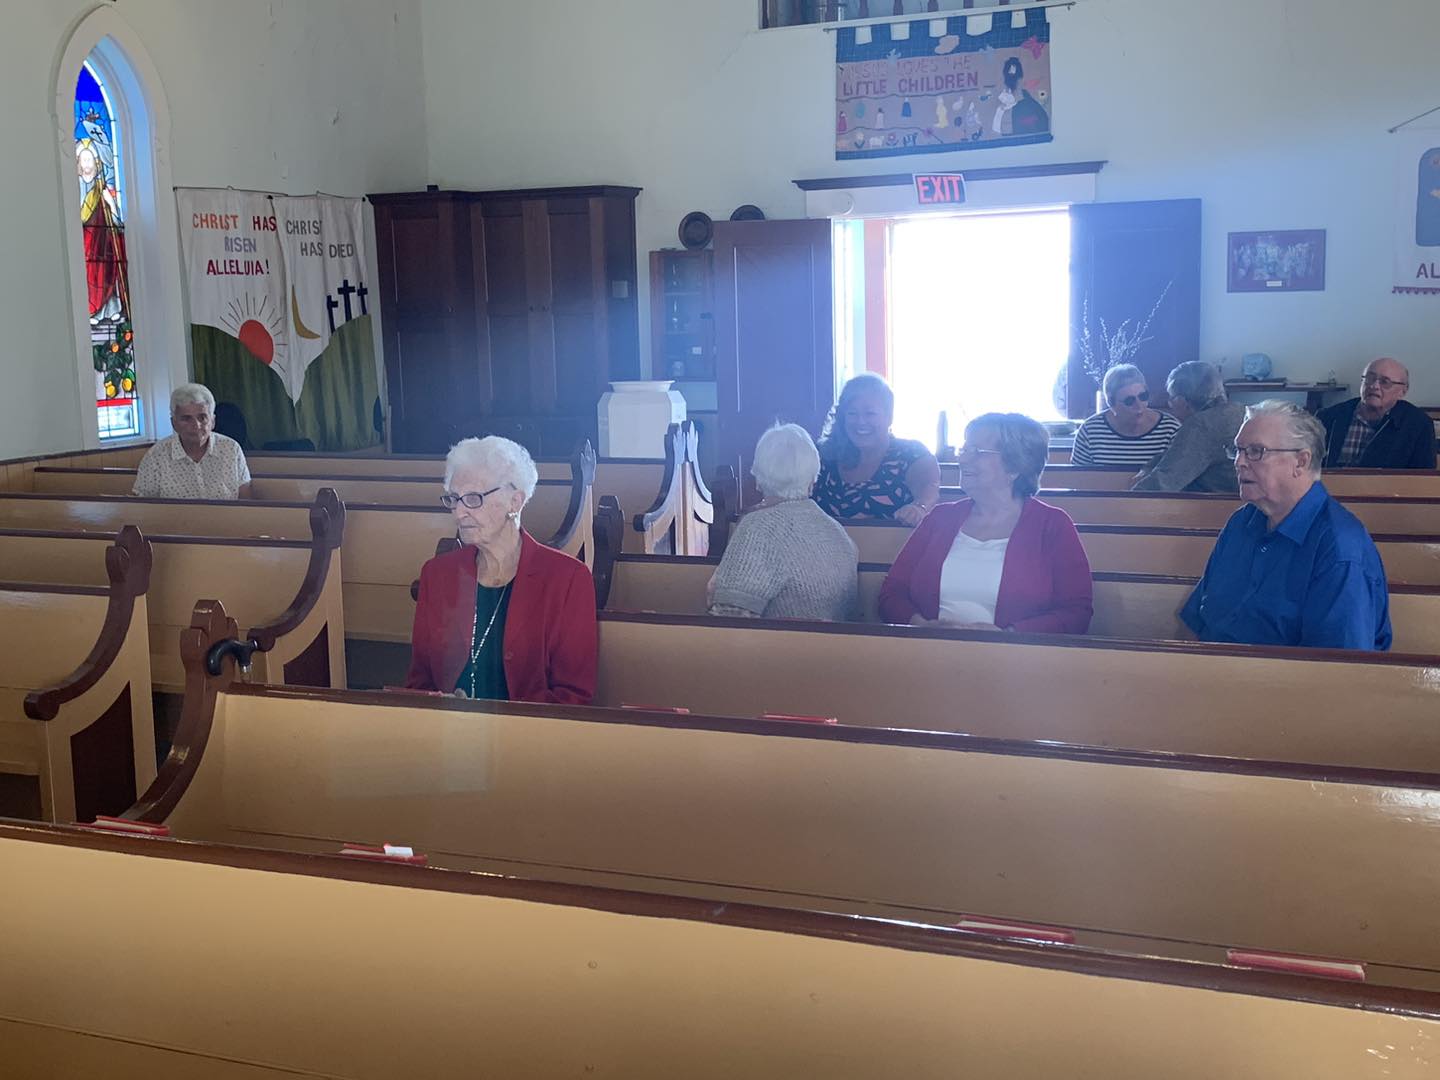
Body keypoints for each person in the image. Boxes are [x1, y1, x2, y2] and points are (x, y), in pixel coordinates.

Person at [1181, 401, 1391, 651]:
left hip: (1281, 686)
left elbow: (1337, 672)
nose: (1239, 462)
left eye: (1256, 451)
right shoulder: (1242, 522)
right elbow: (1199, 620)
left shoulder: (1340, 548)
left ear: (1301, 461)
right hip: (1212, 674)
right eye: (1237, 450)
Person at [407, 435, 597, 702]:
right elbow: (419, 681)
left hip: (533, 738)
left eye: (473, 498)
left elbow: (573, 695)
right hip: (448, 737)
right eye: (454, 499)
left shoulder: (567, 579)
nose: (459, 512)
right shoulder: (437, 575)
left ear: (515, 502)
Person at [879, 413, 1092, 634]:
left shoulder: (1053, 526)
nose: (961, 459)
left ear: (1014, 467)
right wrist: (922, 626)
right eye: (964, 450)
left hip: (1020, 662)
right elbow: (892, 592)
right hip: (927, 654)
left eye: (977, 452)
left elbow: (1076, 613)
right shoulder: (939, 518)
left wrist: (1008, 636)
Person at [707, 424, 858, 621]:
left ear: (757, 478)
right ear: (813, 479)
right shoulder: (837, 531)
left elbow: (728, 620)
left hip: (779, 649)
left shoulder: (756, 528)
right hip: (835, 649)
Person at [813, 373, 941, 525]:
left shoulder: (911, 453)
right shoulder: (824, 455)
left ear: (889, 416)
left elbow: (928, 488)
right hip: (823, 547)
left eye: (870, 414)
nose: (861, 422)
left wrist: (918, 508)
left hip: (891, 547)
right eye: (852, 413)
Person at [1133, 362, 1247, 493]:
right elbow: (1178, 454)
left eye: (1171, 398)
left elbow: (1165, 481)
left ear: (1182, 401)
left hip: (1218, 507)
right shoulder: (1240, 410)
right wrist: (1150, 466)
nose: (1170, 404)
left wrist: (1125, 501)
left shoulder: (1201, 424)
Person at [133, 383, 253, 499]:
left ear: (213, 421)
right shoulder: (155, 457)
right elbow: (143, 507)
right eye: (186, 419)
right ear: (174, 423)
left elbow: (246, 502)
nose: (196, 425)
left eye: (202, 417)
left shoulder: (231, 449)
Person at [1317, 357, 1436, 469]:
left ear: (1402, 391)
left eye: (1385, 382)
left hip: (1388, 490)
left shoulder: (1418, 425)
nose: (1374, 386)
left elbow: (1422, 479)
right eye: (1369, 379)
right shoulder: (1328, 417)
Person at [1071, 364, 1181, 468]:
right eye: (1129, 401)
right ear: (1111, 403)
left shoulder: (1170, 429)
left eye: (1143, 396)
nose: (1139, 406)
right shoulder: (1090, 431)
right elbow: (1079, 478)